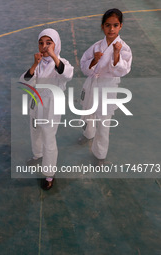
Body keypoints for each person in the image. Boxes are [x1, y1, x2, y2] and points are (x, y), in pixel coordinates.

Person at [19, 28, 74, 190]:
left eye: (49, 43)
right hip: (36, 102)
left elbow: (67, 75)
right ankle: (38, 154)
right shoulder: (38, 63)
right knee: (35, 130)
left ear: (56, 45)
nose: (44, 47)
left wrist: (54, 56)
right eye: (41, 43)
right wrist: (34, 64)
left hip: (51, 104)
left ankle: (49, 173)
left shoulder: (61, 62)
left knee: (48, 136)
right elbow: (26, 81)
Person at [78, 8, 132, 165]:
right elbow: (83, 66)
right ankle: (88, 134)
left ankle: (100, 154)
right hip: (92, 85)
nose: (112, 29)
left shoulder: (124, 48)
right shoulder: (96, 47)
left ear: (120, 26)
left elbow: (123, 70)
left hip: (108, 88)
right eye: (108, 25)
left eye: (115, 25)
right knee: (87, 114)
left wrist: (116, 55)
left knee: (103, 123)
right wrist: (94, 61)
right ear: (103, 26)